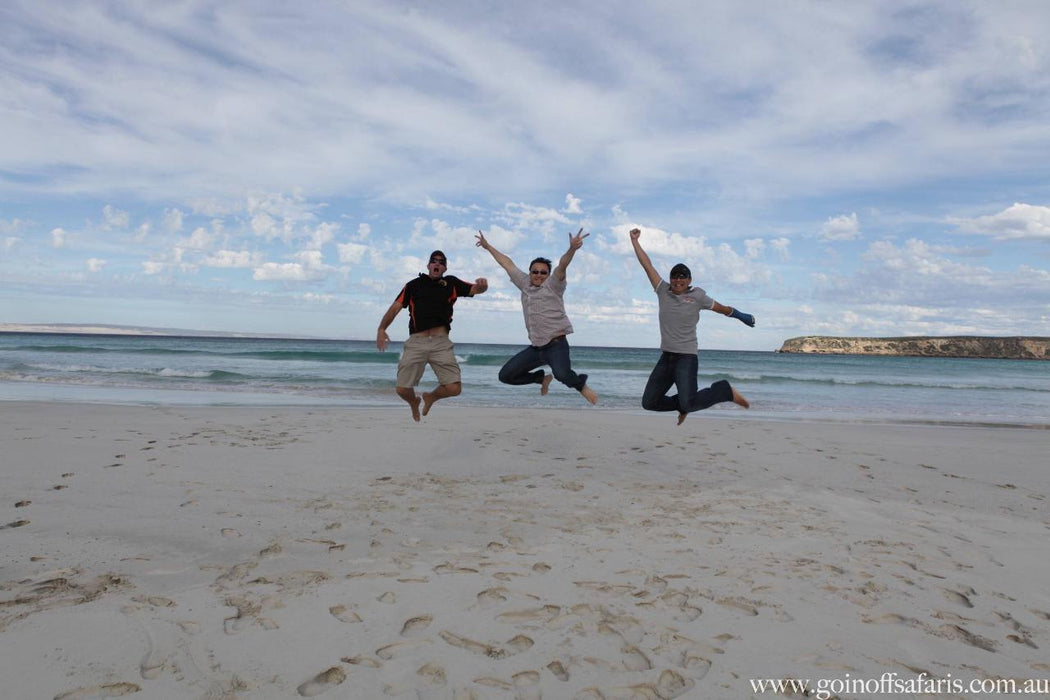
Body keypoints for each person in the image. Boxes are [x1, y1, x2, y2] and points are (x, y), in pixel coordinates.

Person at [629, 227, 753, 424]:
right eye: (674, 276)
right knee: (649, 402)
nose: (678, 280)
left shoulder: (698, 296)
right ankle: (683, 405)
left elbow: (720, 308)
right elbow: (647, 265)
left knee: (689, 403)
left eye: (682, 277)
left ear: (689, 280)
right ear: (670, 279)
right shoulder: (662, 290)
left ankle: (723, 390)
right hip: (666, 358)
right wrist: (634, 241)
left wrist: (739, 315)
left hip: (686, 358)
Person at [475, 228, 598, 405]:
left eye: (543, 272)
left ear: (548, 275)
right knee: (505, 375)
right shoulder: (524, 283)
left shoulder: (554, 284)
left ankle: (581, 386)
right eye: (535, 271)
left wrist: (572, 249)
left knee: (563, 374)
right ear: (530, 272)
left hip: (556, 345)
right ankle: (540, 378)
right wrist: (488, 246)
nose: (538, 275)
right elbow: (507, 263)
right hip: (536, 348)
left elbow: (562, 265)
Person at [376, 250, 488, 421]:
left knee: (454, 388)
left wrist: (482, 286)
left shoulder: (451, 283)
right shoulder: (412, 285)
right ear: (428, 265)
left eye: (441, 262)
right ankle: (414, 401)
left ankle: (431, 397)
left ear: (445, 268)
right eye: (434, 261)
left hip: (441, 343)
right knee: (402, 389)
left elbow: (475, 289)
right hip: (417, 342)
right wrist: (382, 329)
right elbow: (395, 308)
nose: (437, 264)